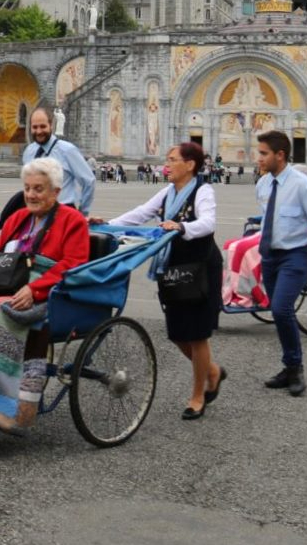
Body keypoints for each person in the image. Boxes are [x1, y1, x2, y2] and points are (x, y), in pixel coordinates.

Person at [0, 158, 90, 433]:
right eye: (28, 188)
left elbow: (73, 263)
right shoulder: (18, 218)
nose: (31, 195)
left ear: (56, 192)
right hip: (7, 284)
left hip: (45, 294)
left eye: (39, 189)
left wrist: (35, 289)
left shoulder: (73, 221)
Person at [96, 142, 224, 420]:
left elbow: (209, 223)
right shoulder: (168, 192)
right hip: (174, 267)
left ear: (190, 165)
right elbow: (141, 213)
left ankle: (198, 395)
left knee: (198, 334)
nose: (166, 165)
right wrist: (107, 224)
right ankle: (212, 371)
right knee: (178, 334)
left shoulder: (203, 190)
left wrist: (182, 226)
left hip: (201, 267)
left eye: (172, 160)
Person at [253, 130, 307, 396]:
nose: (259, 158)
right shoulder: (263, 184)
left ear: (280, 155)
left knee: (282, 308)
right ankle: (289, 366)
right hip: (271, 256)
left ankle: (295, 368)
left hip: (296, 255)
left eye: (263, 153)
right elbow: (268, 217)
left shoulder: (303, 184)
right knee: (278, 312)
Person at [20, 107, 96, 216]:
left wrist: (83, 212)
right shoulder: (29, 152)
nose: (38, 131)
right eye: (35, 127)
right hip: (35, 213)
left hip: (63, 212)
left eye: (43, 126)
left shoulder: (67, 150)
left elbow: (89, 180)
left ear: (51, 125)